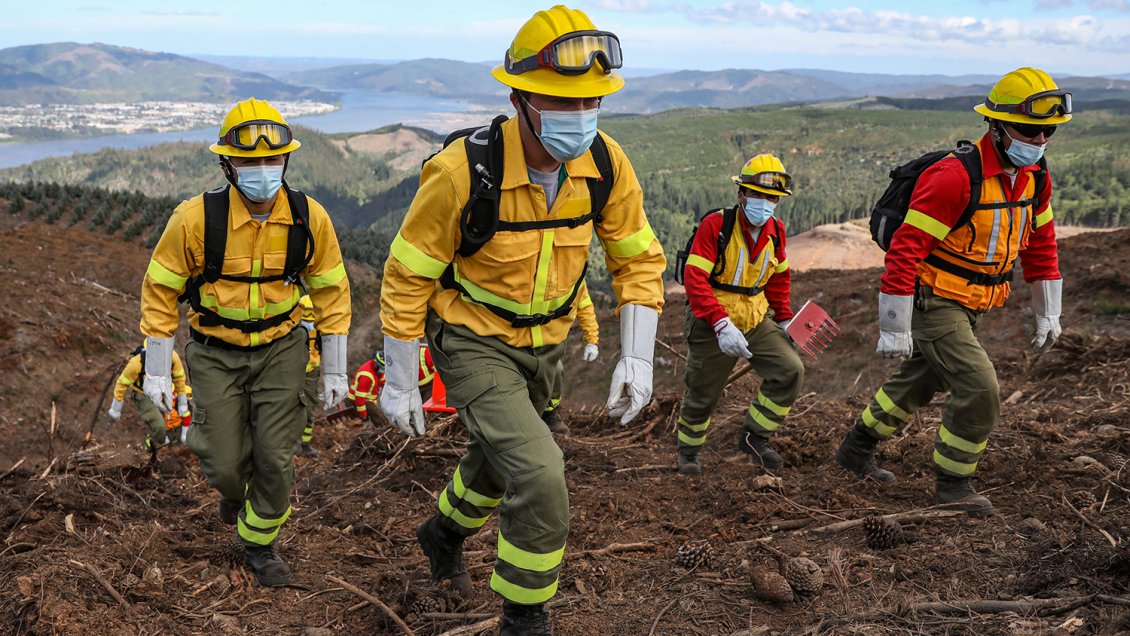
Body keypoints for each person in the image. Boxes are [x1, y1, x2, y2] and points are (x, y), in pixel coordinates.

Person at [378, 6, 666, 633]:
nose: (581, 117)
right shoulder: (461, 173)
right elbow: (408, 274)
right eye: (563, 104)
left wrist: (636, 353)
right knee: (540, 473)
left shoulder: (607, 166)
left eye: (592, 102)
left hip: (548, 346)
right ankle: (524, 615)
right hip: (471, 339)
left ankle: (442, 533)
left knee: (495, 453)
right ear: (519, 98)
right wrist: (400, 376)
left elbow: (638, 259)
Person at [833, 67, 1069, 516]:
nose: (1039, 142)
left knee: (922, 379)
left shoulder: (1035, 177)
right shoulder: (954, 178)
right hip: (933, 298)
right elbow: (906, 250)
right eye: (1030, 131)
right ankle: (953, 484)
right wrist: (894, 325)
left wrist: (1047, 311)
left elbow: (1041, 243)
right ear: (996, 126)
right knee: (980, 387)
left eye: (1048, 133)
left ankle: (856, 447)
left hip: (975, 301)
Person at [139, 97, 351, 586]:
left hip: (282, 347)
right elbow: (159, 292)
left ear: (286, 160)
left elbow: (333, 292)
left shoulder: (308, 218)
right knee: (225, 461)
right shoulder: (195, 220)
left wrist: (336, 366)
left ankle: (259, 544)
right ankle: (235, 494)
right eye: (250, 162)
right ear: (227, 164)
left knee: (276, 457)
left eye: (272, 160)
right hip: (215, 353)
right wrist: (155, 369)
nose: (262, 170)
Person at [676, 154, 802, 476]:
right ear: (741, 194)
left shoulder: (777, 230)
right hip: (712, 320)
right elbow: (694, 278)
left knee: (789, 370)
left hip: (756, 319)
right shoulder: (717, 225)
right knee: (704, 392)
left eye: (771, 198)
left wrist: (785, 318)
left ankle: (754, 437)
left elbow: (779, 278)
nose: (764, 203)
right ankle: (688, 452)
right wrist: (719, 323)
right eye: (757, 195)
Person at [541, 282, 600, 435]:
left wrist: (591, 340)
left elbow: (584, 305)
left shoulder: (573, 271)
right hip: (515, 336)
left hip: (550, 340)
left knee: (555, 371)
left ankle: (549, 414)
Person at [108, 344, 191, 450]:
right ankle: (156, 445)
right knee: (159, 425)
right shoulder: (136, 363)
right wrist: (116, 407)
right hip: (143, 395)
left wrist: (182, 403)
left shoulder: (173, 357)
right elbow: (122, 384)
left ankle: (167, 443)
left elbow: (179, 378)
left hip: (163, 390)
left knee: (171, 420)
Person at [348, 346, 436, 424]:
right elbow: (359, 398)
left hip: (429, 386)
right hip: (360, 401)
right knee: (380, 419)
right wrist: (363, 416)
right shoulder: (367, 376)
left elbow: (385, 382)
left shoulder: (377, 371)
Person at [296, 295, 320, 457]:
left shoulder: (322, 325)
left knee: (309, 407)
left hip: (311, 370)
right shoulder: (301, 302)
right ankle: (289, 444)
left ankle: (304, 444)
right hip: (292, 370)